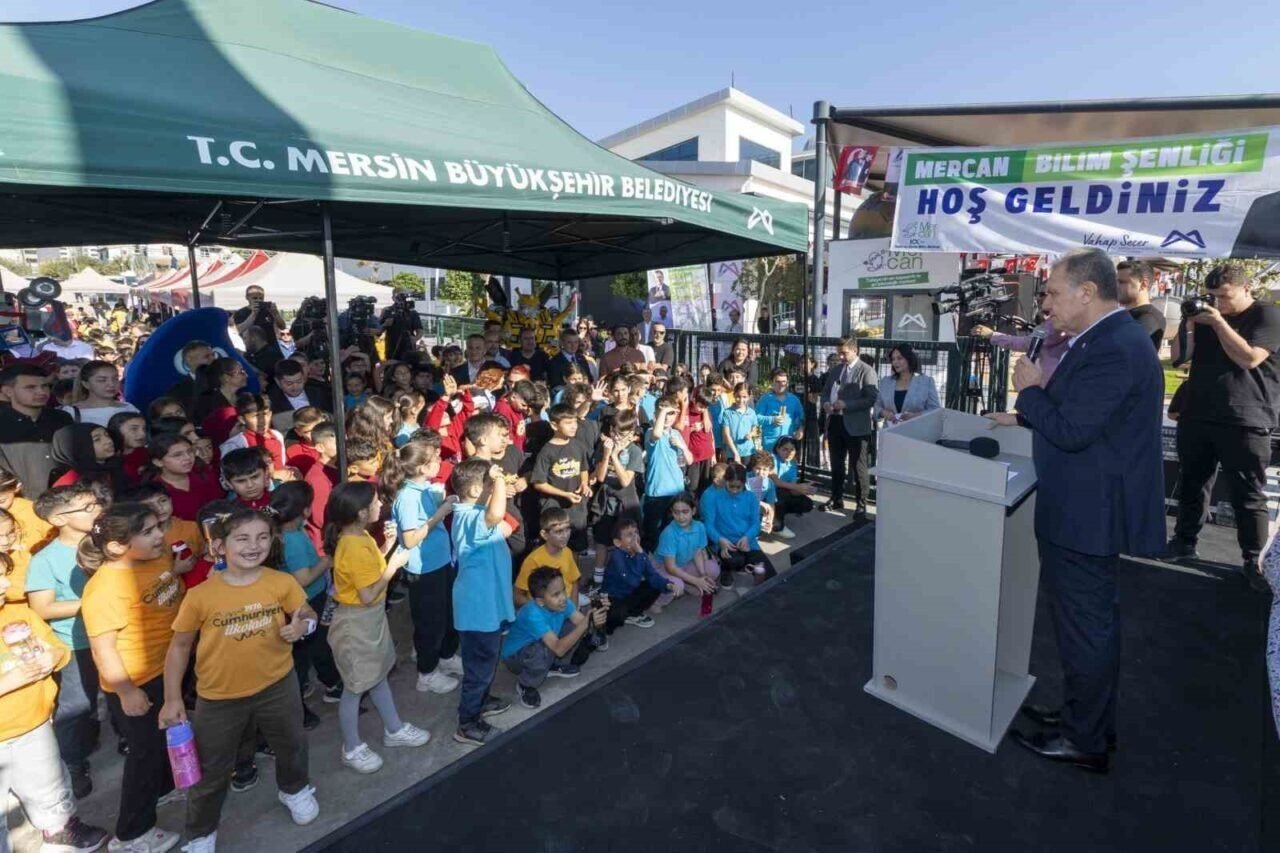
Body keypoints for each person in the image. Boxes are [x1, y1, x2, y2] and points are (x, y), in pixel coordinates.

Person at [986, 248, 1164, 774]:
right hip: (1084, 507)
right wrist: (1026, 417)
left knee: (1086, 627)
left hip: (1088, 514)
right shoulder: (1105, 339)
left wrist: (1029, 394)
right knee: (1084, 625)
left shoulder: (1114, 346)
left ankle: (1084, 739)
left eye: (1052, 293)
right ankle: (1081, 717)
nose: (1045, 305)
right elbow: (1087, 414)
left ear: (1087, 292)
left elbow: (1071, 429)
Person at [159, 507, 321, 850]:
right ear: (220, 546)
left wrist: (304, 626)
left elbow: (307, 613)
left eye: (262, 537)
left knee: (292, 743)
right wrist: (172, 699)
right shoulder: (200, 595)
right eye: (242, 538)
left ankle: (295, 789)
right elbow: (180, 647)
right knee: (213, 767)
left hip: (278, 686)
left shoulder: (281, 582)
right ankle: (201, 832)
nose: (254, 545)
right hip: (219, 698)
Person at [1167, 263, 1280, 591]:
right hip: (1198, 413)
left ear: (1247, 289)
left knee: (1248, 494)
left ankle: (1253, 560)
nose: (1218, 303)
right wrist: (1189, 324)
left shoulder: (1267, 316)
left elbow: (1249, 358)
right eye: (1212, 296)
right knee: (1192, 483)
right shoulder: (1206, 315)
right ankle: (1184, 542)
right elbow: (1179, 358)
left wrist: (1218, 323)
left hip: (1246, 417)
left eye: (1225, 296)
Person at [80, 502, 184, 852]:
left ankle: (165, 788)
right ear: (116, 546)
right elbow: (104, 649)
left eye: (159, 527)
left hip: (168, 668)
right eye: (148, 532)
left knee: (165, 738)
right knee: (145, 754)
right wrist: (126, 691)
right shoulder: (105, 589)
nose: (159, 535)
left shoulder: (157, 557)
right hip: (137, 681)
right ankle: (132, 834)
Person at [324, 481, 429, 774]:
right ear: (360, 513)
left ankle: (394, 728)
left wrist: (387, 546)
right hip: (356, 623)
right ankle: (351, 747)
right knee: (355, 686)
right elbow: (368, 594)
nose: (380, 505)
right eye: (374, 503)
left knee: (378, 675)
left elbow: (370, 571)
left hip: (370, 620)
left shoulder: (360, 537)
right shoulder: (352, 546)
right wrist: (394, 565)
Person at [0, 575, 110, 853]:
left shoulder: (19, 615)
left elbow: (57, 647)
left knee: (49, 783)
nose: (5, 584)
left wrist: (53, 656)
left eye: (3, 574)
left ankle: (60, 830)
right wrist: (7, 683)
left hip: (34, 722)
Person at [23, 483, 103, 800]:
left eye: (96, 503)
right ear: (58, 519)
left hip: (116, 633)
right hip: (76, 641)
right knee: (77, 704)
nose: (97, 510)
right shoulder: (46, 560)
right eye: (87, 507)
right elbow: (43, 608)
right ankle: (73, 762)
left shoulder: (106, 542)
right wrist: (96, 602)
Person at [383, 442, 463, 695]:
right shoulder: (407, 497)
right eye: (434, 459)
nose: (440, 461)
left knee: (447, 615)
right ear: (420, 467)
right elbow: (409, 539)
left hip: (440, 561)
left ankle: (446, 656)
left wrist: (441, 503)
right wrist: (440, 513)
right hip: (424, 569)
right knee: (430, 622)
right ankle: (427, 674)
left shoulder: (425, 488)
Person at [449, 459, 517, 747]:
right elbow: (497, 514)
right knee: (479, 667)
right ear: (477, 490)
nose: (496, 489)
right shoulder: (470, 518)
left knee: (484, 663)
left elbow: (503, 523)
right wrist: (499, 480)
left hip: (486, 607)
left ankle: (482, 699)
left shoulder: (474, 514)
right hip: (478, 612)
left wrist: (496, 484)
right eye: (490, 485)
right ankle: (467, 723)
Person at [270, 482, 337, 728]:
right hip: (307, 600)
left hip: (297, 601)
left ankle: (329, 682)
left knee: (311, 649)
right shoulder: (294, 539)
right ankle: (302, 706)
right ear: (306, 510)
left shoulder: (282, 533)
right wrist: (326, 561)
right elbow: (304, 578)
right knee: (310, 651)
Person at [501, 568, 605, 709]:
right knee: (542, 650)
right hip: (516, 657)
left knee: (575, 627)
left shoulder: (563, 603)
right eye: (555, 594)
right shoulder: (532, 613)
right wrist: (586, 624)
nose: (563, 597)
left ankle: (550, 666)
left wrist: (596, 617)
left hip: (545, 642)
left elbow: (583, 623)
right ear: (540, 601)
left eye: (563, 590)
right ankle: (525, 684)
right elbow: (558, 649)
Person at [821, 337, 878, 518]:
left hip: (856, 426)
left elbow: (871, 398)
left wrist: (847, 404)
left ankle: (861, 505)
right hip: (835, 422)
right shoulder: (836, 370)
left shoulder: (866, 371)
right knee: (836, 464)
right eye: (839, 353)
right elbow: (825, 392)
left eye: (844, 353)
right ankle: (836, 498)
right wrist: (825, 404)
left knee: (859, 467)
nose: (841, 357)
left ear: (855, 350)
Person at [0, 364, 75, 501]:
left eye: (45, 386)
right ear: (8, 391)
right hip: (18, 502)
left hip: (66, 499)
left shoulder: (62, 418)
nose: (41, 392)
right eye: (30, 387)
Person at [700, 462, 777, 586]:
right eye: (731, 486)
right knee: (736, 560)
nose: (735, 490)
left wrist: (747, 537)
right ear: (725, 481)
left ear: (744, 483)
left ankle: (746, 566)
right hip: (726, 543)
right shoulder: (713, 497)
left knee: (768, 575)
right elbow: (708, 525)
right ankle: (725, 568)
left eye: (738, 487)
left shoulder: (751, 497)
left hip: (748, 542)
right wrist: (720, 540)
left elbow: (755, 524)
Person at [531, 405, 592, 553]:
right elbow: (539, 483)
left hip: (576, 507)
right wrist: (565, 494)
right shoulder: (546, 451)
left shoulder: (578, 445)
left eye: (575, 422)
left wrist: (585, 484)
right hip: (554, 509)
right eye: (568, 423)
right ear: (554, 425)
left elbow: (583, 468)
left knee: (576, 548)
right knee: (555, 547)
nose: (573, 426)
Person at [601, 517, 673, 632]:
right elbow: (632, 581)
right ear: (617, 542)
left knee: (654, 585)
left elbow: (652, 574)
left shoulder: (639, 553)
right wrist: (640, 553)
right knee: (617, 617)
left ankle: (633, 614)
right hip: (614, 597)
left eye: (636, 532)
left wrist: (668, 585)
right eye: (629, 535)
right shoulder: (616, 556)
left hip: (629, 593)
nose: (635, 537)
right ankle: (603, 629)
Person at [642, 395, 692, 552]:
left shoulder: (676, 434)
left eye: (672, 414)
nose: (668, 417)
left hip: (676, 492)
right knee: (654, 534)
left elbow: (689, 460)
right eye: (664, 413)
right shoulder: (650, 432)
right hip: (656, 492)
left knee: (674, 532)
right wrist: (663, 412)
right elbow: (656, 435)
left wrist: (682, 447)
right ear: (656, 415)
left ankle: (672, 561)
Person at [654, 492, 720, 600]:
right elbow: (670, 568)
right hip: (664, 569)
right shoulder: (669, 533)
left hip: (685, 564)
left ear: (693, 511)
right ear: (672, 512)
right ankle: (656, 602)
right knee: (677, 586)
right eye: (676, 512)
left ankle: (688, 584)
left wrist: (703, 575)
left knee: (713, 569)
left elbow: (697, 553)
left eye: (685, 512)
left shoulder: (699, 527)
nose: (681, 517)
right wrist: (696, 581)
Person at [61, 359, 140, 427]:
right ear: (86, 384)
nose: (111, 384)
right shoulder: (71, 412)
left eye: (115, 379)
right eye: (102, 380)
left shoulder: (129, 408)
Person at [877, 344, 941, 425]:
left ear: (909, 359)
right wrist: (883, 413)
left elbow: (935, 410)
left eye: (899, 358)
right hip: (890, 431)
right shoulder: (885, 382)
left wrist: (915, 416)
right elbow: (877, 406)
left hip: (917, 431)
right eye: (893, 359)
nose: (895, 362)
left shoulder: (926, 382)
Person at [268, 360, 333, 434]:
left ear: (304, 377)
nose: (295, 387)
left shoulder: (319, 393)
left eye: (299, 381)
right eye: (289, 384)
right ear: (277, 381)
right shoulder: (272, 401)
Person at [1116, 260, 1166, 350]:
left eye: (1122, 282)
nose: (1116, 286)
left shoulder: (1148, 318)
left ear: (1143, 284)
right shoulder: (1125, 315)